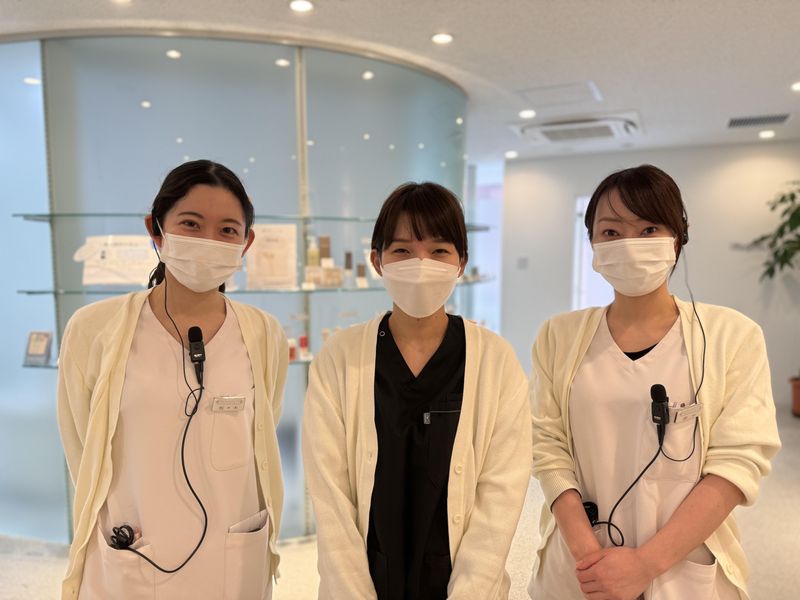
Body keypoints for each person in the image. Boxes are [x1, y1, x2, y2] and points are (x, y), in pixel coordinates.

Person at [528, 164, 781, 600]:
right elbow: (547, 445)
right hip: (580, 565)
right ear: (592, 243)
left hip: (683, 567)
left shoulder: (732, 336)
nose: (629, 244)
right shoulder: (558, 336)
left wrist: (646, 563)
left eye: (648, 229)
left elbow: (738, 460)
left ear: (678, 238)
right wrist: (588, 554)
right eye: (611, 232)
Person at [57, 160, 288, 599]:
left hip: (232, 549)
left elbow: (261, 431)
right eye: (191, 224)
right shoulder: (95, 328)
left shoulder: (264, 333)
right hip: (134, 546)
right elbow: (81, 443)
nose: (209, 241)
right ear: (156, 229)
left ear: (246, 242)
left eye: (227, 230)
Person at [302, 182, 532, 599]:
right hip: (365, 581)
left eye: (439, 250)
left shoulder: (494, 360)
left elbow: (502, 494)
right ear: (378, 261)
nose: (421, 264)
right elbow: (330, 495)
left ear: (461, 263)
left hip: (463, 584)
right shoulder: (340, 358)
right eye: (403, 250)